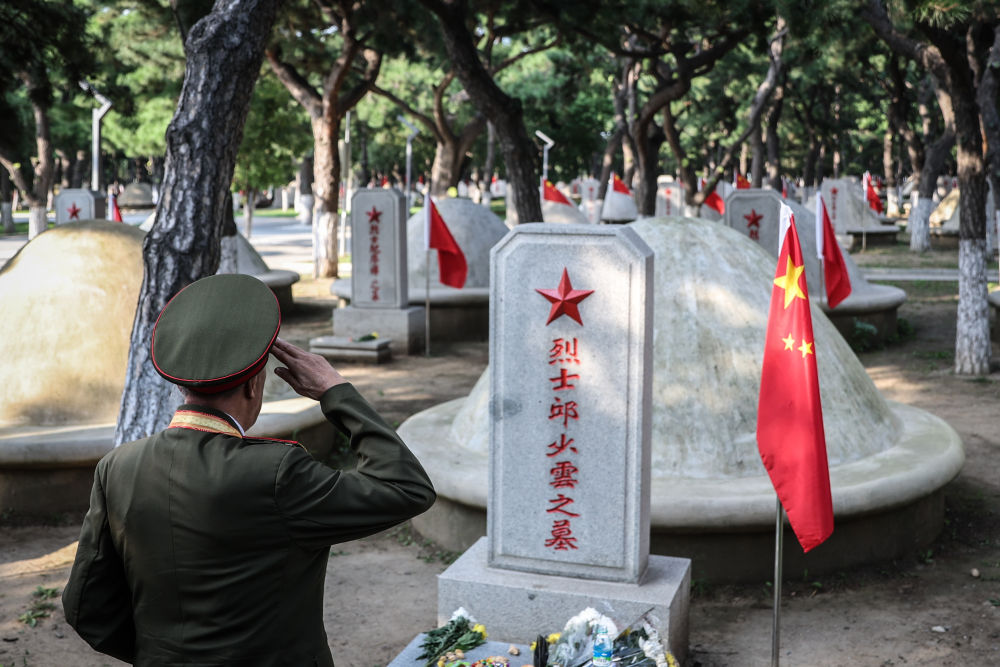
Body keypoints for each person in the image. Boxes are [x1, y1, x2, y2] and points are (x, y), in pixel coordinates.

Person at [62, 273, 436, 666]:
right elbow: (406, 487)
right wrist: (335, 391)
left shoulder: (117, 467)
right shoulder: (277, 473)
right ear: (253, 386)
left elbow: (85, 607)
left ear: (181, 386)